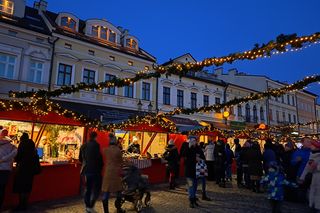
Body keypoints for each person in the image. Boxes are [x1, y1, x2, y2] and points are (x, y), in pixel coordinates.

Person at [79, 132, 103, 213]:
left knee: (88, 188)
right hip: (95, 170)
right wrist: (101, 166)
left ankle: (87, 206)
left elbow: (80, 159)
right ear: (95, 137)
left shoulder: (83, 146)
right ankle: (91, 205)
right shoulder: (96, 145)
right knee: (97, 188)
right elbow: (98, 158)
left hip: (86, 170)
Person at [13, 133, 38, 211]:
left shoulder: (22, 144)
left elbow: (17, 157)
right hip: (30, 170)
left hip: (22, 169)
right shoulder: (32, 145)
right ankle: (25, 204)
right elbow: (35, 156)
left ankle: (21, 205)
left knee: (21, 188)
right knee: (27, 188)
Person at [102, 133, 125, 213]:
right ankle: (118, 208)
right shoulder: (118, 150)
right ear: (115, 142)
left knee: (106, 193)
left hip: (107, 172)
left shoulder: (105, 150)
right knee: (119, 191)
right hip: (115, 173)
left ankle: (106, 212)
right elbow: (121, 162)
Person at [300, 140, 320, 213]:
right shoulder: (311, 155)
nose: (311, 146)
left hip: (318, 176)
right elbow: (307, 167)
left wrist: (316, 167)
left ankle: (317, 207)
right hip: (313, 177)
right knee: (312, 191)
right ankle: (312, 206)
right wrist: (302, 177)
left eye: (312, 145)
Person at [0, 129, 17, 211]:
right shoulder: (12, 145)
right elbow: (15, 153)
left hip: (3, 168)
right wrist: (4, 159)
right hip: (6, 169)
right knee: (2, 188)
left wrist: (2, 160)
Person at [181, 136, 199, 208]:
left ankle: (193, 198)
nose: (194, 141)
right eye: (192, 140)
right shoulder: (186, 146)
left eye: (195, 140)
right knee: (191, 185)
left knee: (194, 185)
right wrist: (188, 147)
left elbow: (202, 154)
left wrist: (199, 157)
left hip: (196, 170)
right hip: (189, 170)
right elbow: (183, 154)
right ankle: (191, 200)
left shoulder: (197, 147)